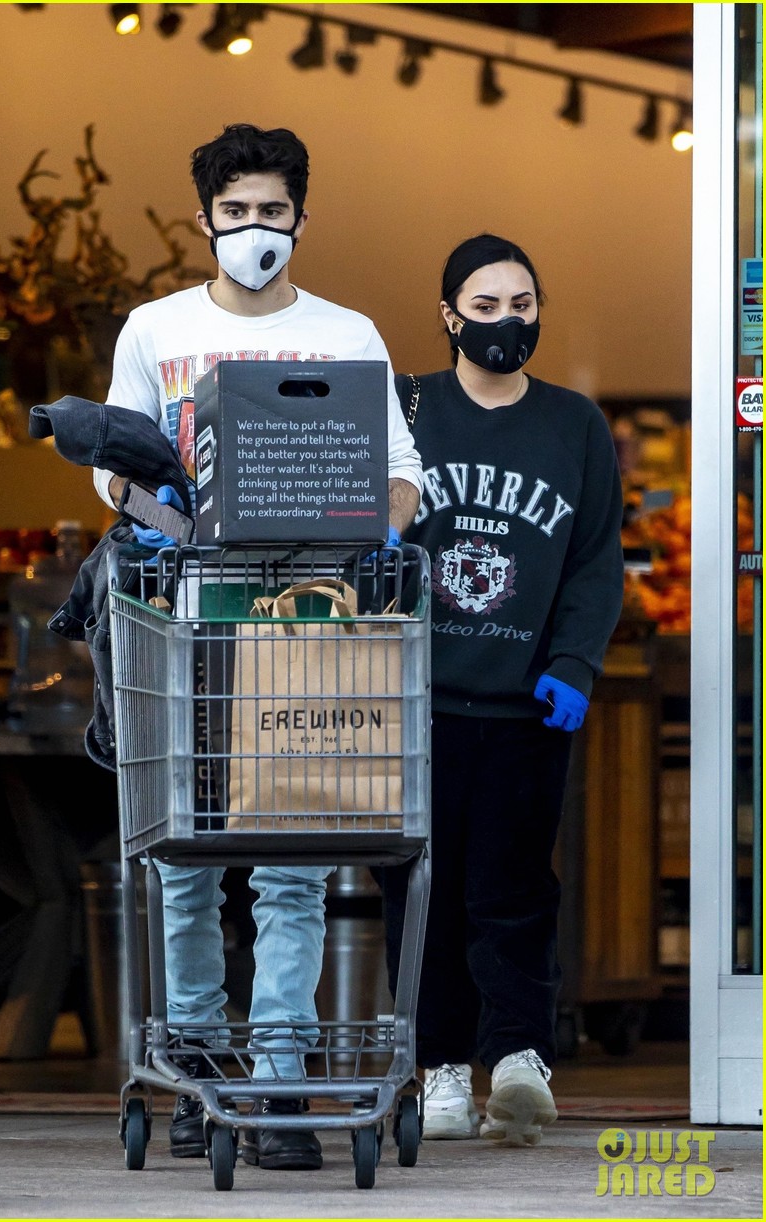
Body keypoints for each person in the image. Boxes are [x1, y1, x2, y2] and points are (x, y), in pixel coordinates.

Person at [93, 123, 422, 1170]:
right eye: (234, 211)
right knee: (185, 858)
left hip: (305, 623)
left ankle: (277, 1073)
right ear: (204, 219)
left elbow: (402, 468)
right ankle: (198, 1060)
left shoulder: (346, 334)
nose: (253, 229)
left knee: (292, 859)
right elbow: (110, 460)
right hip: (182, 616)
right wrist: (166, 517)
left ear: (301, 218)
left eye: (270, 211)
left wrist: (376, 530)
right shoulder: (155, 328)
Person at [378, 233, 624, 1147]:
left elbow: (595, 561)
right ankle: (441, 1069)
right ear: (448, 315)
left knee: (515, 889)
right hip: (417, 704)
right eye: (484, 307)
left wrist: (573, 664)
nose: (505, 322)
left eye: (521, 305)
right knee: (422, 893)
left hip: (526, 707)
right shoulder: (404, 407)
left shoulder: (574, 424)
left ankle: (518, 1059)